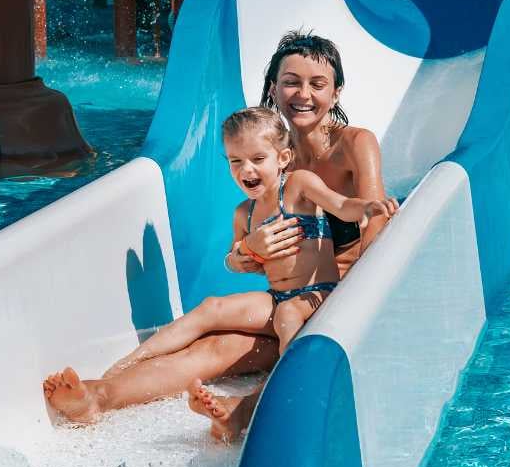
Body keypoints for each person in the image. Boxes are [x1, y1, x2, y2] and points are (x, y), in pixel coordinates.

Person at [44, 32, 391, 440]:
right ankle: (98, 395)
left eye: (317, 84)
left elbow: (376, 221)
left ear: (336, 93)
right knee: (215, 344)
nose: (303, 93)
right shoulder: (268, 152)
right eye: (290, 81)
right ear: (274, 89)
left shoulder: (353, 144)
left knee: (259, 345)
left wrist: (356, 305)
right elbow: (246, 249)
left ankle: (241, 411)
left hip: (341, 296)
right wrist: (247, 251)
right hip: (289, 298)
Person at [101, 107, 396, 381]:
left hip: (317, 294)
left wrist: (367, 208)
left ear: (282, 159)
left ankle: (295, 384)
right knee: (211, 307)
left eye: (258, 159)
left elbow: (342, 206)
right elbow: (236, 258)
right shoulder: (244, 213)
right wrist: (238, 257)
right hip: (277, 297)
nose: (246, 170)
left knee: (288, 314)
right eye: (236, 161)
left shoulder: (299, 185)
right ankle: (130, 362)